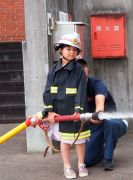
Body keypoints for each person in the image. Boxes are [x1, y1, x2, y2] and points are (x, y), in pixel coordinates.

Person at [32, 33, 89, 179]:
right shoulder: (53, 70)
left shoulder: (79, 71)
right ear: (60, 50)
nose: (71, 52)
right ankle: (67, 167)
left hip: (75, 111)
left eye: (74, 50)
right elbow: (47, 91)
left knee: (80, 140)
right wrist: (50, 112)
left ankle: (81, 164)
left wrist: (78, 110)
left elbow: (81, 92)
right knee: (65, 140)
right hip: (59, 112)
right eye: (68, 49)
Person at [77, 58, 128, 171]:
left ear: (87, 72)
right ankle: (101, 149)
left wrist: (98, 113)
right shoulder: (72, 89)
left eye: (85, 75)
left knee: (110, 124)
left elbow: (100, 101)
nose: (83, 79)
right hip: (94, 126)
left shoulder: (97, 84)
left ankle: (108, 159)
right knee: (86, 161)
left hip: (112, 121)